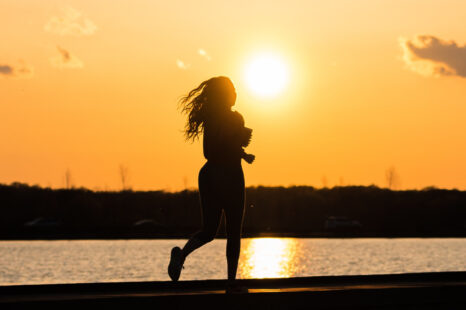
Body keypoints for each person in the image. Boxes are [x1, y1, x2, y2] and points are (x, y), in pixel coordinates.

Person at [168, 76, 255, 292]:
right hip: (224, 176)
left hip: (217, 174)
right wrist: (237, 144)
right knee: (225, 231)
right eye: (232, 90)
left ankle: (182, 255)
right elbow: (211, 151)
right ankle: (231, 282)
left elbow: (227, 146)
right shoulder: (222, 119)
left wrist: (243, 153)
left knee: (213, 231)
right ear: (224, 95)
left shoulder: (226, 118)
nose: (236, 93)